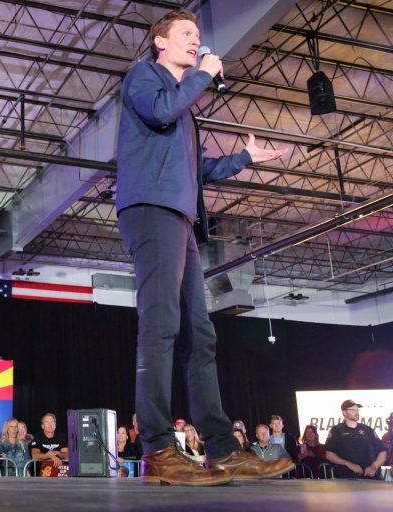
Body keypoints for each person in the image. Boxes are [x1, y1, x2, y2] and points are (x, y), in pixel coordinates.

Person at [116, 8, 293, 486]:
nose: (197, 41)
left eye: (198, 35)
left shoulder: (184, 105)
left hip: (182, 217)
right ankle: (157, 448)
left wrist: (243, 158)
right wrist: (204, 75)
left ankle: (222, 450)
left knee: (200, 334)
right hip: (151, 209)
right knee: (160, 325)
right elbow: (158, 112)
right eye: (186, 34)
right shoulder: (144, 77)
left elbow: (198, 171)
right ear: (160, 42)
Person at [325, 400, 386, 479]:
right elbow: (329, 455)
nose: (356, 412)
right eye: (353, 410)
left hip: (370, 478)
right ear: (344, 413)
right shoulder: (337, 430)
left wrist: (374, 466)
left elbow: (382, 452)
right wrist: (348, 464)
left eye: (357, 410)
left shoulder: (367, 429)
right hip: (346, 479)